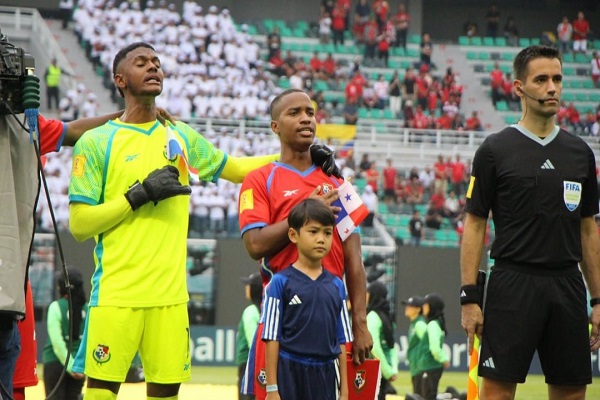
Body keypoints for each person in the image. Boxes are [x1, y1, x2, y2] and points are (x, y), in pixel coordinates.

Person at [67, 42, 278, 400]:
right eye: (141, 62)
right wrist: (139, 194)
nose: (153, 67)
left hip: (170, 299)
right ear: (120, 79)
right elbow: (80, 224)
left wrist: (293, 155)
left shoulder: (180, 134)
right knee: (100, 394)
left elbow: (236, 169)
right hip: (116, 296)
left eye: (157, 63)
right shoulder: (96, 142)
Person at [460, 45, 600, 400]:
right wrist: (469, 297)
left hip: (567, 284)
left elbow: (588, 231)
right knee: (496, 393)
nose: (552, 87)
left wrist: (598, 300)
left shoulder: (580, 153)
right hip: (512, 282)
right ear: (519, 87)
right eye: (541, 79)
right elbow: (475, 225)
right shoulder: (494, 150)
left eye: (557, 79)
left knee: (572, 393)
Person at [238, 89, 372, 400]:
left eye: (309, 112)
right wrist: (304, 210)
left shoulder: (339, 184)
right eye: (294, 113)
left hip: (329, 323)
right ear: (275, 126)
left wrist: (360, 323)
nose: (305, 119)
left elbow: (355, 260)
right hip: (282, 321)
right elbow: (254, 245)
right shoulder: (259, 180)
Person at [262, 198, 352, 400]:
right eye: (313, 231)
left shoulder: (337, 286)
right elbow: (272, 338)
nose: (321, 238)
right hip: (289, 371)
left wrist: (345, 393)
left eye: (327, 233)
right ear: (293, 235)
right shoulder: (279, 283)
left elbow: (341, 342)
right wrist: (272, 388)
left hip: (325, 374)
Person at [43, 266, 88, 400]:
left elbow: (57, 343)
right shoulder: (88, 309)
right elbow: (89, 340)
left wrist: (69, 366)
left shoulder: (55, 307)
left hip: (55, 364)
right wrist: (77, 367)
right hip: (79, 366)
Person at [366, 281, 398, 400]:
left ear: (373, 295)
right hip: (383, 370)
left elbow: (373, 347)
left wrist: (387, 371)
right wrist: (391, 370)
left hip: (372, 368)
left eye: (368, 293)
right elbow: (391, 346)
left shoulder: (372, 316)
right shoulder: (387, 316)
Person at [236, 272, 262, 400]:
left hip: (248, 362)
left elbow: (253, 342)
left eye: (249, 285)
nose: (246, 288)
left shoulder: (250, 311)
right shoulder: (265, 308)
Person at [419, 293, 449, 400]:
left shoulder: (432, 324)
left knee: (428, 395)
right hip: (431, 367)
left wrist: (443, 359)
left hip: (430, 366)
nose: (423, 308)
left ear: (432, 307)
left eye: (426, 305)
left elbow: (435, 348)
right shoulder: (436, 324)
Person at [402, 295, 427, 397]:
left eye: (410, 306)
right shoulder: (414, 324)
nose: (407, 307)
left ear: (418, 309)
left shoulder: (419, 324)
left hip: (420, 368)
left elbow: (428, 343)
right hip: (416, 368)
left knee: (419, 396)